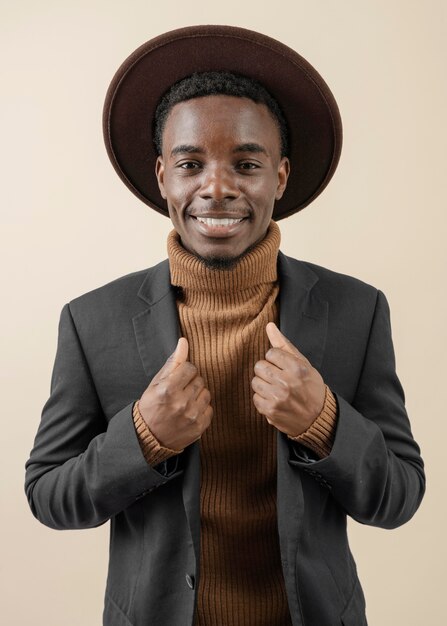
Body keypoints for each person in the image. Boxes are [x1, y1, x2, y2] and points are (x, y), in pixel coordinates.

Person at [25, 25, 425, 626]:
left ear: (280, 178)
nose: (216, 187)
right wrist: (142, 436)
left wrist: (325, 422)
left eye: (245, 163)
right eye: (191, 164)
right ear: (164, 178)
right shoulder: (91, 320)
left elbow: (399, 496)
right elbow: (49, 496)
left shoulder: (356, 311)